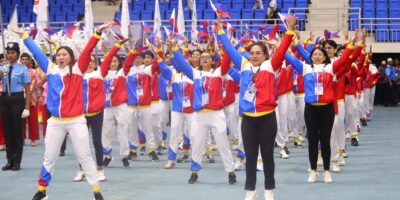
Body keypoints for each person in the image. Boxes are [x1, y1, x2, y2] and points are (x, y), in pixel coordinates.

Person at [11, 22, 111, 200]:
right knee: (49, 156)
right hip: (55, 121)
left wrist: (97, 33)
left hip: (76, 120)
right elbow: (36, 52)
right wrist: (23, 36)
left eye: (64, 54)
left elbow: (88, 51)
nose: (60, 57)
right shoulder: (50, 69)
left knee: (85, 155)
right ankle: (42, 189)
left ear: (71, 57)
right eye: (58, 55)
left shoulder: (78, 70)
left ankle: (96, 190)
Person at [219, 16, 296, 200]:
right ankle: (250, 189)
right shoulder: (244, 65)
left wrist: (290, 31)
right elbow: (230, 49)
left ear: (265, 55)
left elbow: (283, 48)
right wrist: (221, 32)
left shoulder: (271, 66)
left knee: (268, 155)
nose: (254, 56)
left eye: (258, 53)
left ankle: (269, 189)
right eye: (252, 53)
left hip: (267, 118)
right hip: (248, 119)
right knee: (251, 156)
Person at [285, 33, 360, 184]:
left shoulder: (331, 68)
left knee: (325, 140)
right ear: (311, 57)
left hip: (327, 109)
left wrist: (351, 44)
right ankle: (313, 170)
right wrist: (285, 43)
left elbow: (345, 58)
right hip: (311, 109)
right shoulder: (305, 68)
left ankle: (326, 171)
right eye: (315, 54)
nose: (317, 56)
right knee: (312, 141)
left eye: (320, 54)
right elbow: (290, 58)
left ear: (325, 57)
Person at [170, 29, 237, 185]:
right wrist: (174, 48)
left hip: (216, 114)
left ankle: (230, 171)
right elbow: (181, 63)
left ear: (213, 61)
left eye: (208, 57)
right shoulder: (195, 74)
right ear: (199, 62)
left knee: (222, 143)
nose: (205, 59)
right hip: (199, 115)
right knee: (197, 143)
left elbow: (227, 60)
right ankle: (194, 171)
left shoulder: (219, 73)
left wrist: (226, 44)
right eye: (202, 58)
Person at [0, 42, 31, 171]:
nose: (10, 55)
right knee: (7, 131)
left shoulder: (23, 69)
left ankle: (17, 161)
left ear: (17, 55)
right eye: (8, 52)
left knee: (17, 132)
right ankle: (9, 161)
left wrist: (27, 107)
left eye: (13, 53)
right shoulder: (3, 68)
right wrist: (2, 73)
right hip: (4, 99)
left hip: (18, 99)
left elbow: (27, 89)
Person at [20, 53, 45, 146]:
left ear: (30, 61)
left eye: (26, 59)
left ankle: (33, 139)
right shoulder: (17, 71)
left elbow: (38, 86)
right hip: (20, 97)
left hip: (32, 98)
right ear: (20, 60)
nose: (24, 61)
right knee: (20, 120)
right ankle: (21, 138)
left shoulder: (35, 72)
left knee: (33, 120)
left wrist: (39, 96)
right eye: (22, 59)